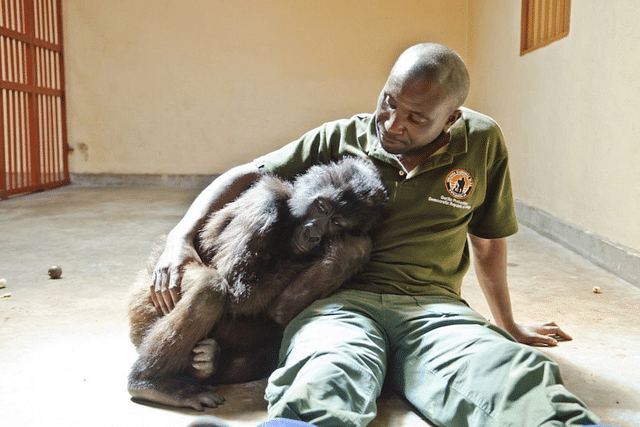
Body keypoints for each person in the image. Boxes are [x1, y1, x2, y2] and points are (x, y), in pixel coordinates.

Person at [152, 43, 601, 426]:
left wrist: (507, 324)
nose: (391, 123)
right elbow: (246, 174)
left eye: (414, 117)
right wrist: (180, 237)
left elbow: (486, 243)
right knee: (324, 372)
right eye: (388, 101)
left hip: (433, 308)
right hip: (336, 303)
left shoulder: (483, 142)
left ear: (450, 119)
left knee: (512, 374)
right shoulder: (342, 137)